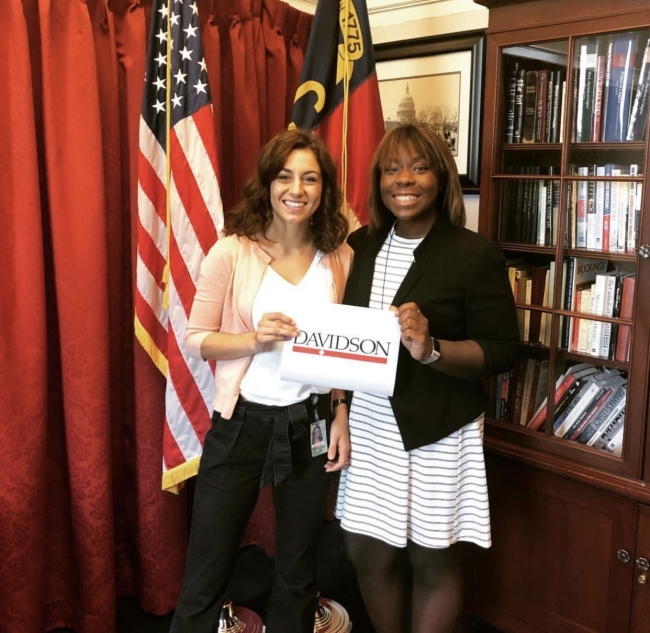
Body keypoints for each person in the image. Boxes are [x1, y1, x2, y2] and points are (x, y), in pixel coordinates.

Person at [334, 124, 520, 633]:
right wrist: (340, 408)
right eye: (392, 168)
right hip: (371, 423)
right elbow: (343, 337)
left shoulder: (472, 253)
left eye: (418, 167)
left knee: (431, 558)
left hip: (438, 431)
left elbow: (504, 350)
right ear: (378, 180)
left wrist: (432, 348)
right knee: (366, 550)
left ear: (440, 177)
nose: (404, 180)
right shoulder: (361, 246)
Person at [170, 128, 353, 633]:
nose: (297, 189)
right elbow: (196, 338)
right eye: (285, 176)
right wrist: (253, 339)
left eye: (310, 178)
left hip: (310, 423)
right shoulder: (231, 251)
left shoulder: (339, 256)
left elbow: (341, 347)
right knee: (208, 564)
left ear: (324, 190)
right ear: (268, 184)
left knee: (298, 567)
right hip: (243, 421)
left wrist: (340, 410)